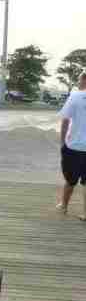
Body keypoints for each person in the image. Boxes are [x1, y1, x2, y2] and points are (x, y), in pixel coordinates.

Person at [56, 71, 86, 219]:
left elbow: (65, 120)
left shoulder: (75, 96)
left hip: (74, 146)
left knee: (70, 179)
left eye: (79, 79)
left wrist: (62, 142)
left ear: (84, 80)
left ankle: (64, 206)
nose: (78, 82)